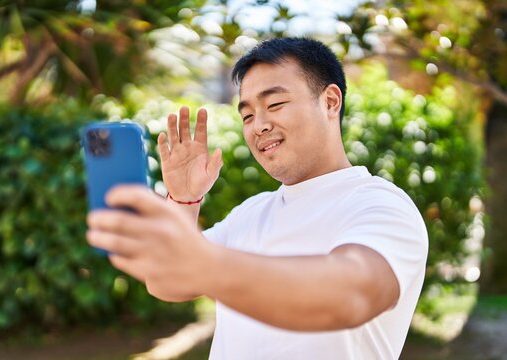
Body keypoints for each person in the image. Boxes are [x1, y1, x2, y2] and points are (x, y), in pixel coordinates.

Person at [86, 37, 428, 359]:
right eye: (247, 115)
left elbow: (351, 296)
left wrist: (205, 263)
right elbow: (166, 282)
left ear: (330, 101)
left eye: (275, 104)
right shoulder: (251, 212)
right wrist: (184, 201)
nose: (258, 125)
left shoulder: (380, 205)